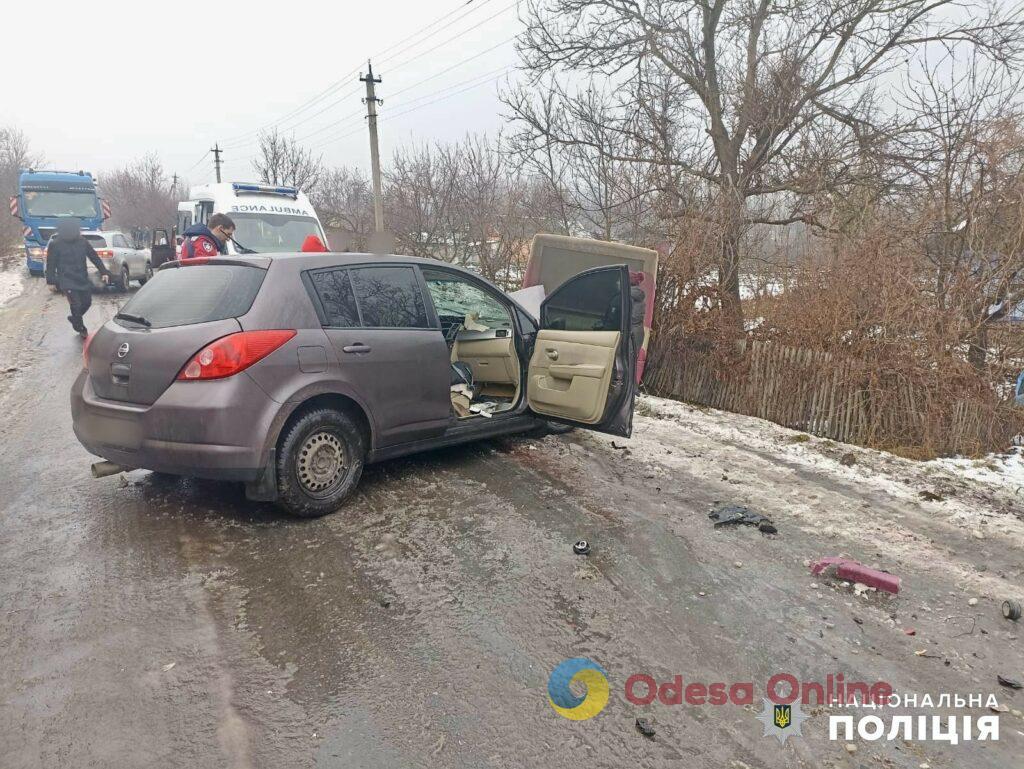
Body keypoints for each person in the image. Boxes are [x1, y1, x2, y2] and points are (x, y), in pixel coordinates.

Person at [45, 219, 113, 338]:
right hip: (66, 280)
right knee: (76, 304)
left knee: (87, 302)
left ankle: (75, 319)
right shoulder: (55, 244)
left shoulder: (82, 241)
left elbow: (93, 256)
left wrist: (104, 271)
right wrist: (51, 280)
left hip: (82, 278)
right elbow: (51, 263)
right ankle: (80, 328)